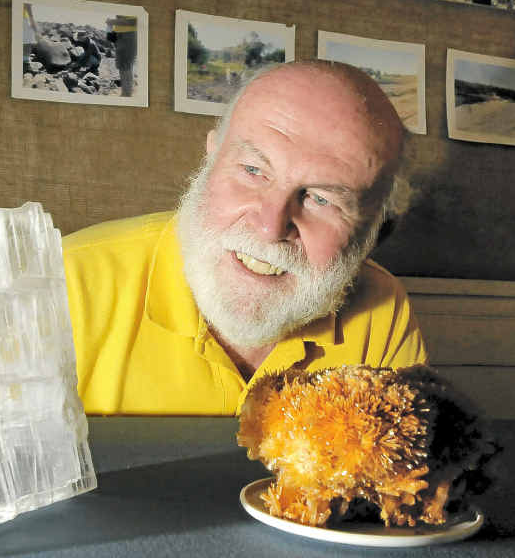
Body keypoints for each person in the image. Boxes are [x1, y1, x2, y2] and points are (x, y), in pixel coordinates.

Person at [63, 60, 427, 415]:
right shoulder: (65, 285)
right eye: (253, 171)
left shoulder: (383, 309)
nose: (270, 227)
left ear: (374, 222)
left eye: (321, 199)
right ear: (211, 156)